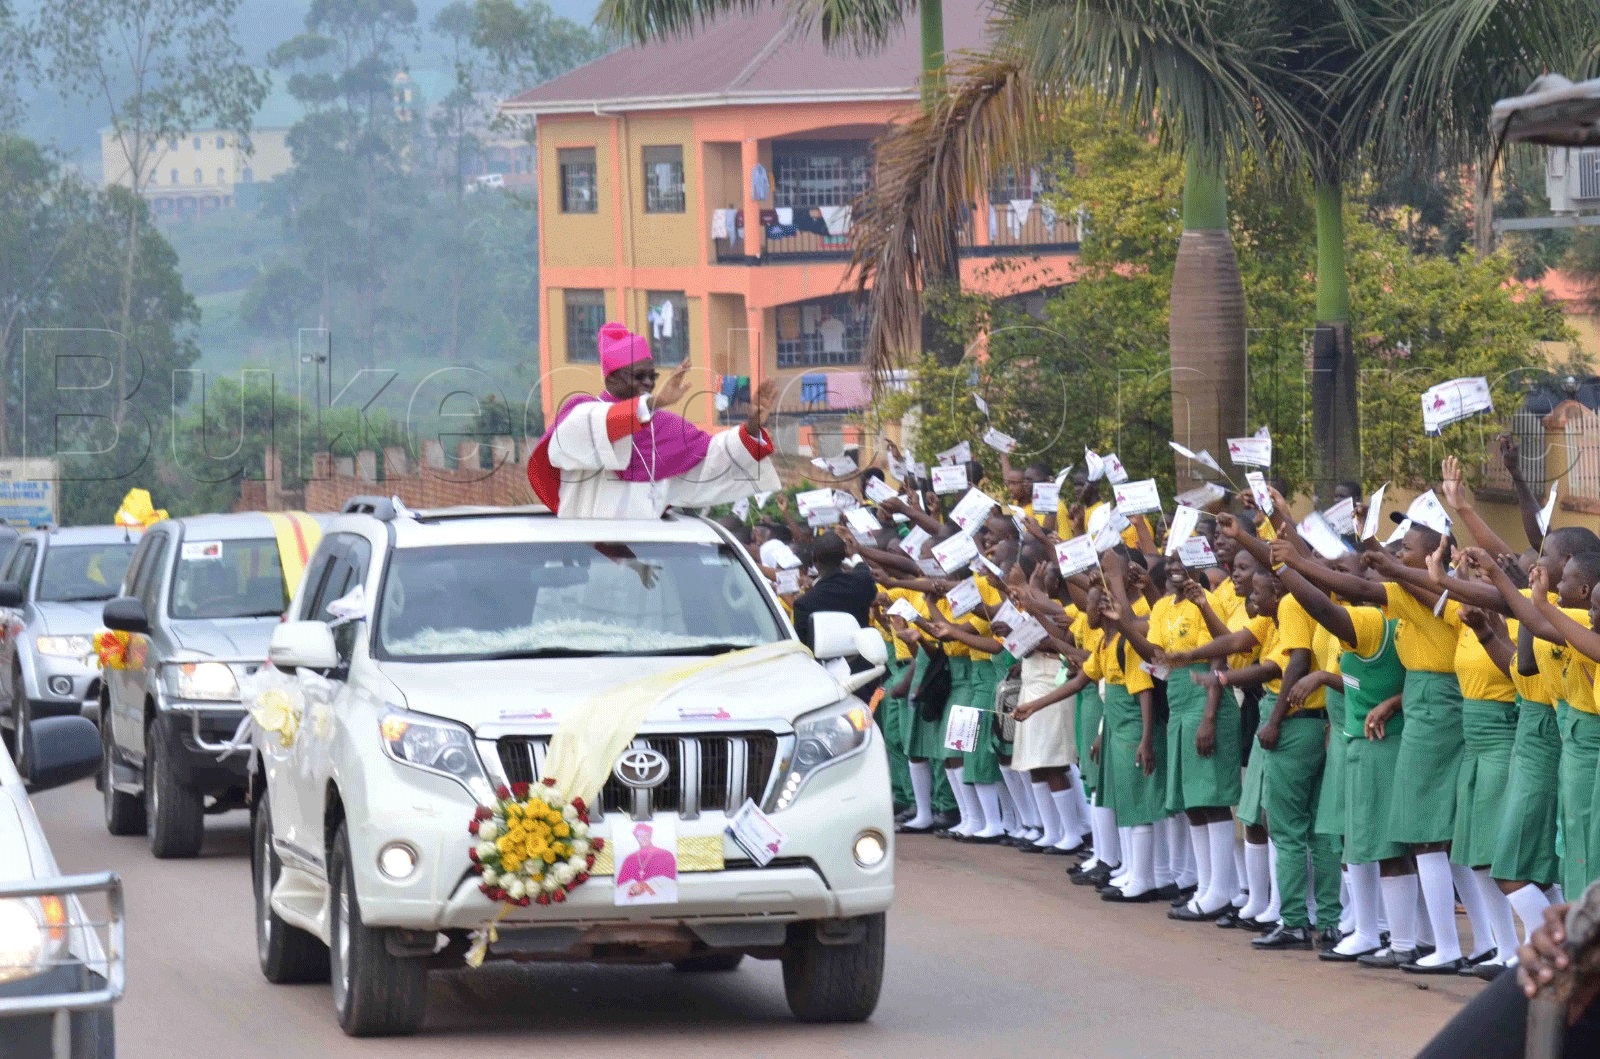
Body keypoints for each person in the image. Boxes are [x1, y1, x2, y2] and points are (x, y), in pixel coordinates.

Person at [527, 321, 780, 518]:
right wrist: (655, 401)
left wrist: (751, 427)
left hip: (645, 549)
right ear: (611, 378)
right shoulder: (582, 412)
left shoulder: (665, 425)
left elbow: (712, 458)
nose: (648, 383)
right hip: (586, 551)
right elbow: (604, 425)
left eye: (652, 376)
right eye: (639, 376)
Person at [790, 531, 876, 651]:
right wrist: (854, 555)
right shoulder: (862, 582)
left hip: (827, 668)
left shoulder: (804, 604)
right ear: (844, 555)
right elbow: (863, 569)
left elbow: (804, 647)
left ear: (814, 558)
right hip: (867, 658)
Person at [616, 822, 678, 900]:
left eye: (646, 835)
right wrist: (632, 887)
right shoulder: (630, 859)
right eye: (640, 836)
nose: (643, 838)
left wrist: (646, 885)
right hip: (634, 902)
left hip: (659, 900)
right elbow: (620, 885)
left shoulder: (665, 855)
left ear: (650, 836)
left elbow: (671, 882)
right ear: (636, 838)